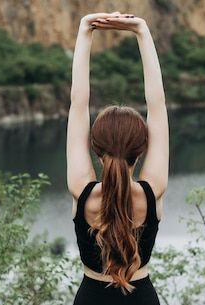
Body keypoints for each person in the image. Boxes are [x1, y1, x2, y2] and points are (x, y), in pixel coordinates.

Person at [66, 12, 169, 305]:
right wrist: (142, 31)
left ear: (96, 147)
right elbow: (157, 105)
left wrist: (86, 28)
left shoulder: (82, 192)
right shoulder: (152, 192)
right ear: (142, 148)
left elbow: (78, 103)